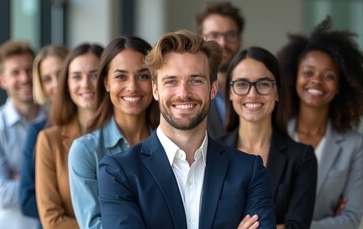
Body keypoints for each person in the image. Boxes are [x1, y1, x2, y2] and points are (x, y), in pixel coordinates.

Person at [97, 30, 276, 229]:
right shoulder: (119, 172)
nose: (183, 93)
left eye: (195, 80)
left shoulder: (249, 171)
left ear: (213, 88)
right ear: (155, 89)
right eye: (171, 81)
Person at [277, 16, 363, 229]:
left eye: (329, 76)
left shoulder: (355, 145)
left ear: (339, 86)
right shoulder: (273, 134)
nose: (316, 81)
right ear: (293, 78)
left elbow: (351, 220)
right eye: (308, 72)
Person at [220, 46, 317, 228]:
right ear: (230, 92)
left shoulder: (302, 157)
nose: (252, 94)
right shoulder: (210, 151)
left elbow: (297, 226)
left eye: (263, 84)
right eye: (241, 84)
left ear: (277, 91)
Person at [68, 36, 159, 228]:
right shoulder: (85, 150)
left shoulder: (171, 144)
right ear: (106, 83)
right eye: (121, 76)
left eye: (143, 76)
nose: (132, 87)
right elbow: (93, 225)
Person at [35, 43, 103, 228]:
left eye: (94, 75)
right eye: (76, 77)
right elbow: (52, 220)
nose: (85, 84)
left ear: (107, 79)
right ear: (67, 84)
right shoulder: (49, 140)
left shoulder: (124, 133)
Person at [0, 40, 46, 229]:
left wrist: (21, 177)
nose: (25, 78)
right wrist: (52, 178)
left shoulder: (55, 122)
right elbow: (2, 196)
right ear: (3, 80)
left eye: (29, 70)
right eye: (15, 73)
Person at [19, 45, 69, 228]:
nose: (56, 84)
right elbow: (26, 201)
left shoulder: (98, 127)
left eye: (60, 73)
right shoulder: (39, 132)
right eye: (47, 79)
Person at [195, 1, 245, 138]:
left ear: (240, 40)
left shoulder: (254, 89)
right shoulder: (189, 89)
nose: (223, 43)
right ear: (201, 39)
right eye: (214, 35)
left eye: (230, 35)